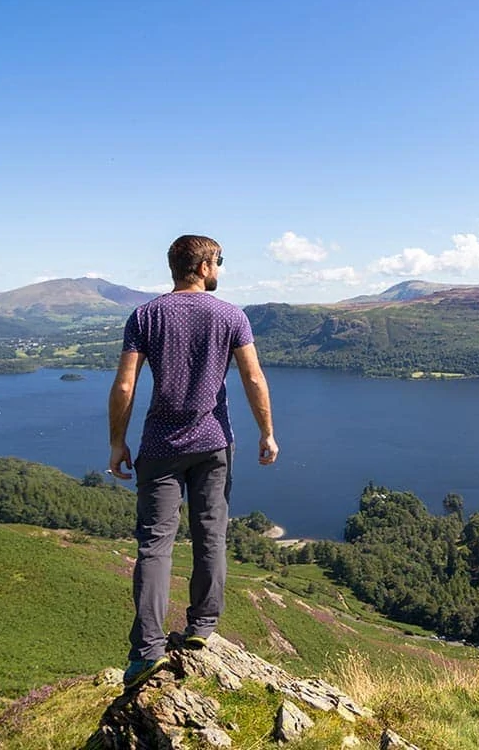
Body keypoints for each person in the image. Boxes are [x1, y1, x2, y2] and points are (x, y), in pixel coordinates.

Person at [107, 234, 279, 689]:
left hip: (160, 448)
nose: (220, 268)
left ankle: (147, 651)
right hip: (213, 443)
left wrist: (117, 442)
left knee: (154, 545)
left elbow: (125, 386)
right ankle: (202, 629)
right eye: (219, 261)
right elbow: (252, 377)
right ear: (203, 267)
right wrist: (267, 432)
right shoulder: (231, 316)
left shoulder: (145, 316)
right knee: (210, 536)